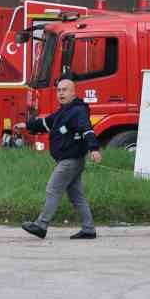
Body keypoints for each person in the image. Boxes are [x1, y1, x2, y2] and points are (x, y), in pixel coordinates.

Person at [19, 78, 103, 240]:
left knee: (53, 188)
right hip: (71, 161)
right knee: (76, 196)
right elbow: (47, 123)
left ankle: (41, 225)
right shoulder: (64, 110)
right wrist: (28, 126)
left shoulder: (77, 111)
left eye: (65, 90)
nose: (61, 93)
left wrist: (94, 148)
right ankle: (89, 229)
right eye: (59, 90)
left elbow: (87, 130)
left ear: (73, 92)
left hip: (70, 161)